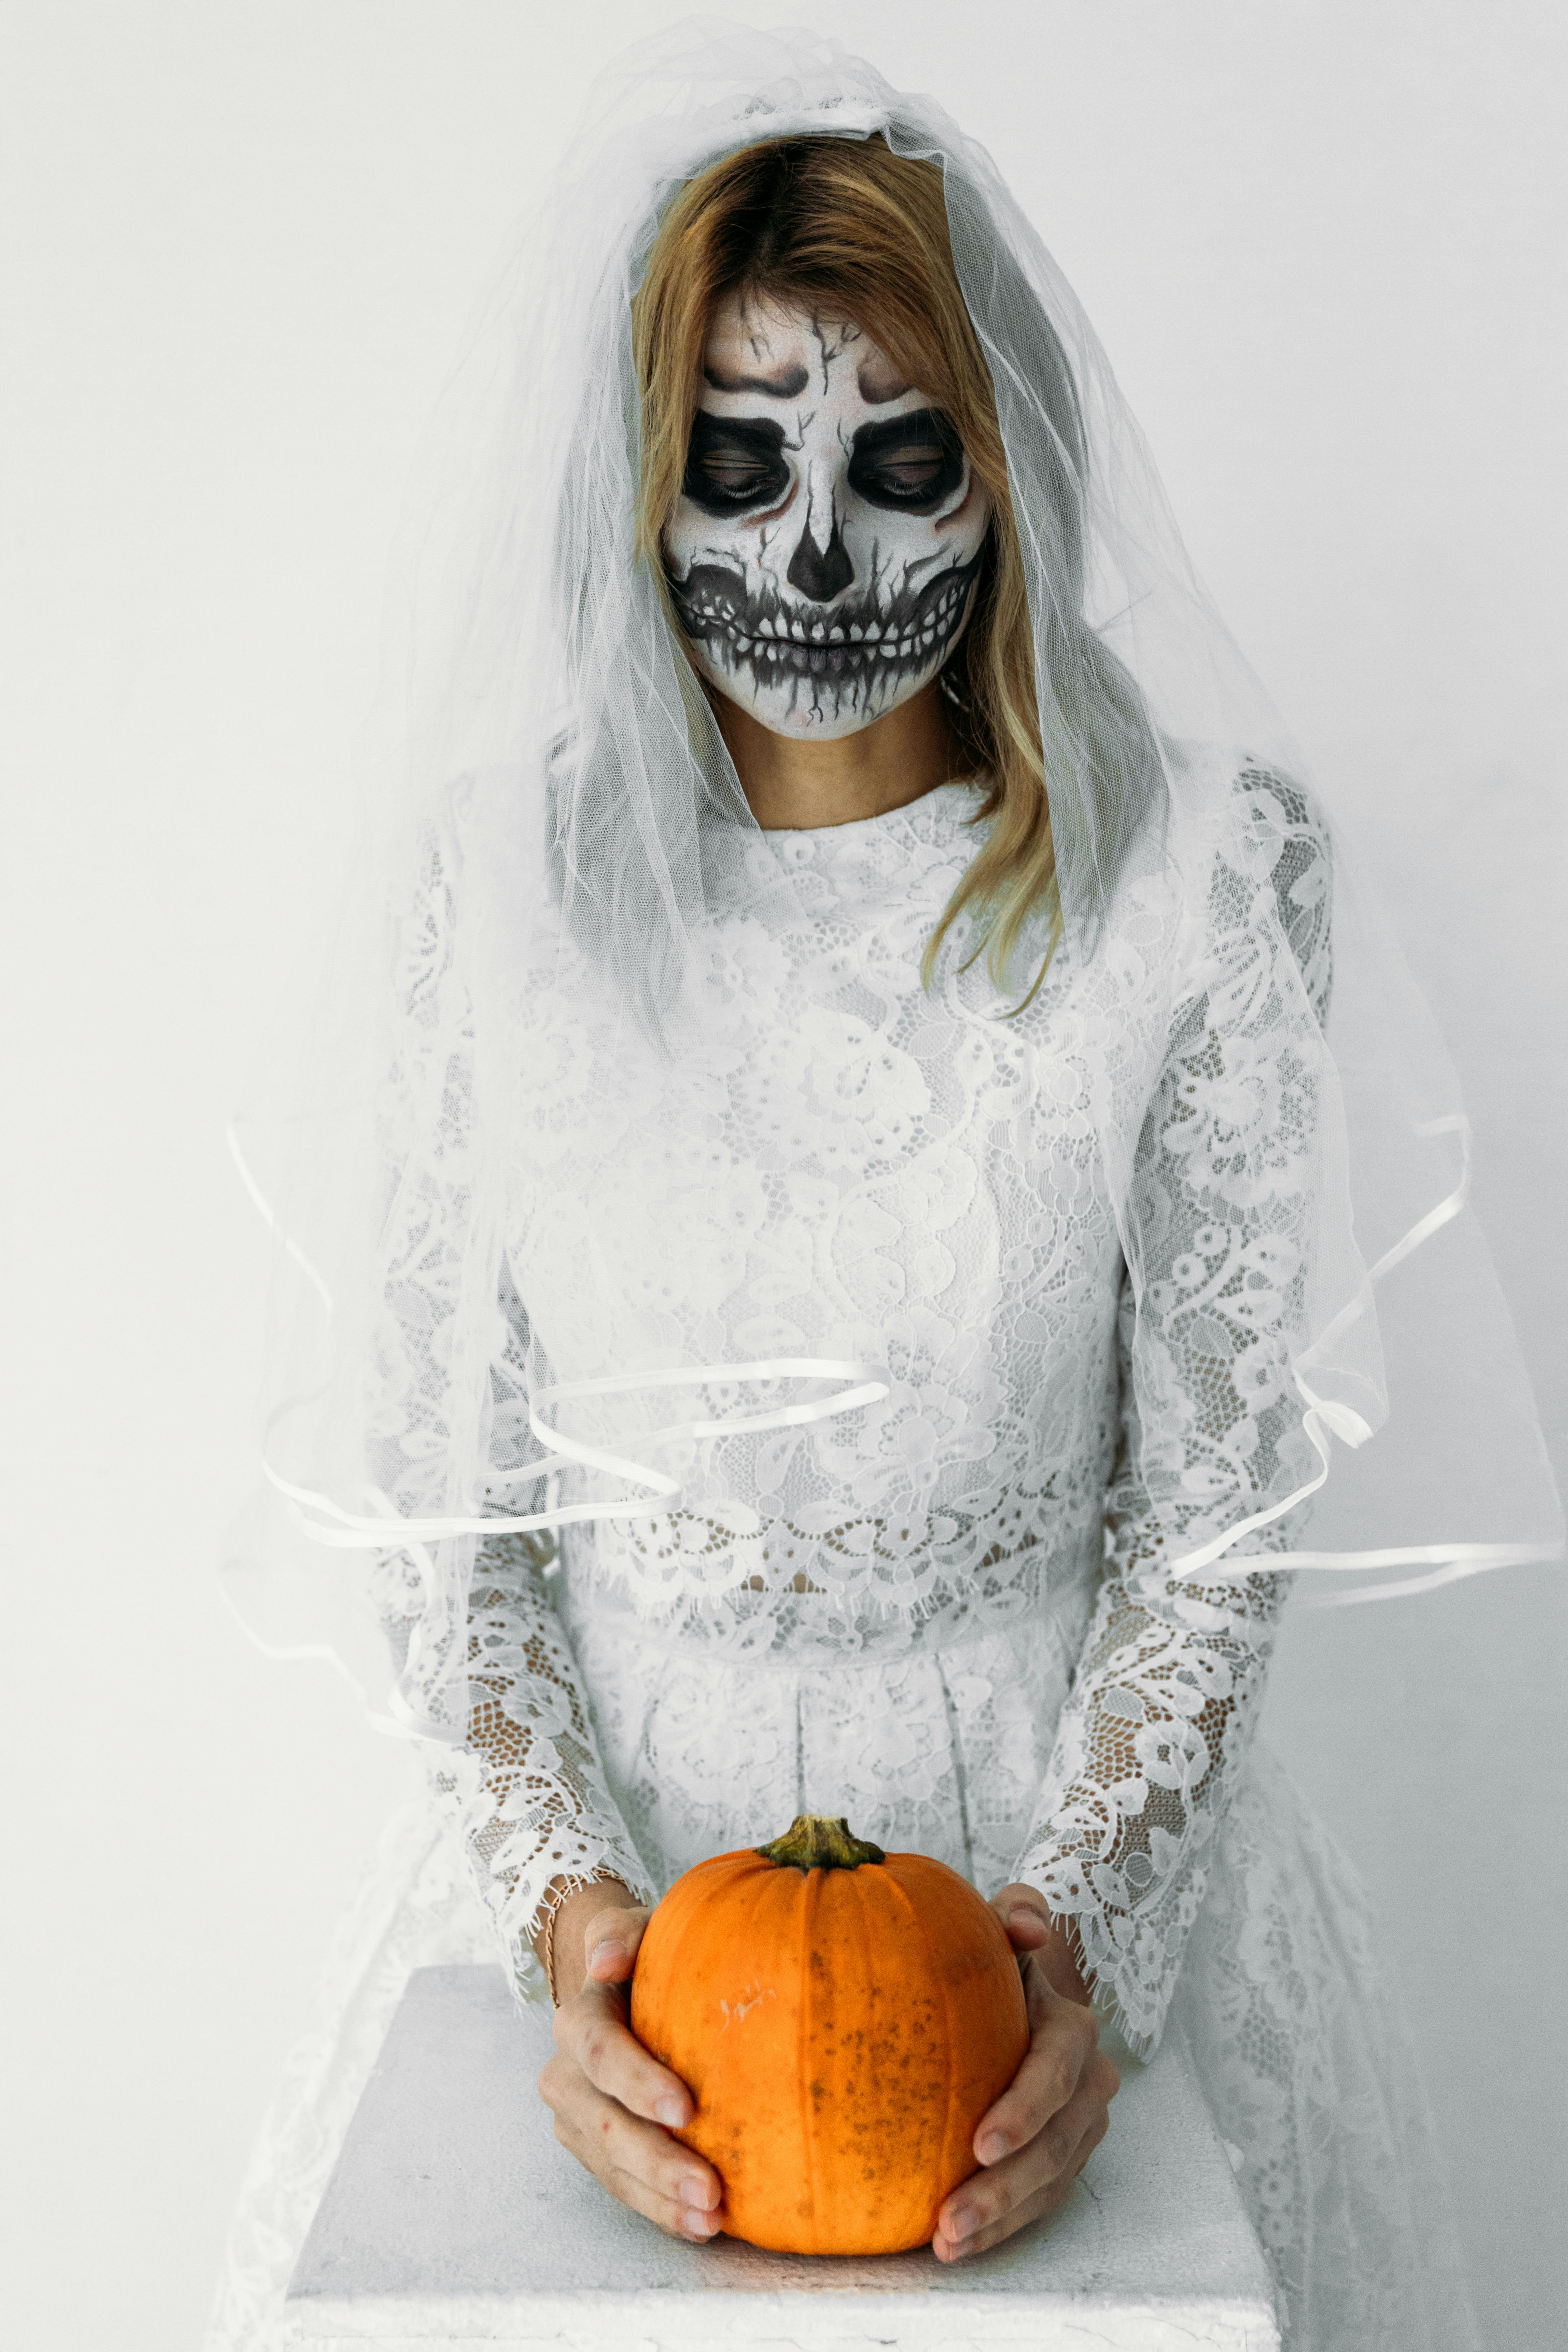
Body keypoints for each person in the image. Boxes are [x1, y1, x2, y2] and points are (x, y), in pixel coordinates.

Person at [209, 29, 1561, 2352]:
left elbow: (1209, 1517)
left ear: (1005, 479)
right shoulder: (502, 898)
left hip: (1069, 1919)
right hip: (617, 1954)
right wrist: (579, 1937)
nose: (813, 552)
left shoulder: (1208, 883)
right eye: (738, 465)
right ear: (645, 488)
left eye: (897, 460)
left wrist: (1070, 1950)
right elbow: (459, 1528)